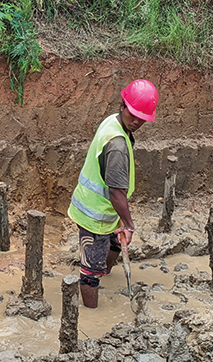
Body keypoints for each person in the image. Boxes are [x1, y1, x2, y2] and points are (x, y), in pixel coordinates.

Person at [68, 78, 159, 308]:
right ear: (122, 106)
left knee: (115, 245)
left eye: (142, 118)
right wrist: (129, 225)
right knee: (90, 272)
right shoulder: (117, 144)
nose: (137, 121)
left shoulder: (114, 122)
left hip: (106, 210)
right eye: (133, 114)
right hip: (95, 215)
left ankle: (103, 270)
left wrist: (122, 220)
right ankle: (91, 312)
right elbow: (116, 192)